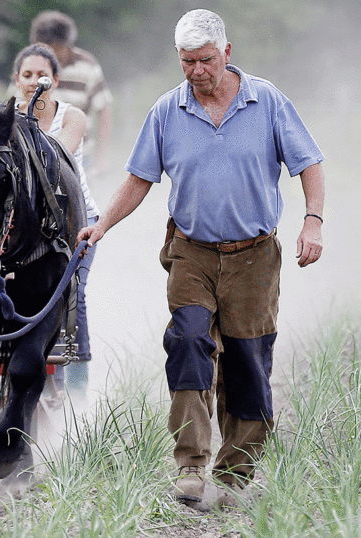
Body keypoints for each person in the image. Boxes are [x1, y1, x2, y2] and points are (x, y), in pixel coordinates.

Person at [77, 9, 325, 509]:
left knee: (247, 361)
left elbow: (309, 163)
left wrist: (313, 220)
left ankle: (235, 475)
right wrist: (102, 223)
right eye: (187, 61)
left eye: (206, 60)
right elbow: (139, 178)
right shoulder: (168, 111)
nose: (196, 71)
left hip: (254, 256)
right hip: (190, 250)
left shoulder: (267, 101)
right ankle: (191, 465)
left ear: (226, 53)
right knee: (188, 341)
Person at [13, 43, 100, 394]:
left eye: (42, 75)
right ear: (16, 79)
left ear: (56, 80)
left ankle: (76, 389)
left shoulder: (72, 116)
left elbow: (55, 151)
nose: (35, 81)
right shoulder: (5, 116)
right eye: (28, 75)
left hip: (74, 222)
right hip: (26, 227)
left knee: (71, 297)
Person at [28, 10, 113, 176]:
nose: (50, 55)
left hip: (79, 157)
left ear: (66, 44)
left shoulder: (87, 66)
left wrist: (102, 157)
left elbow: (104, 110)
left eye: (56, 48)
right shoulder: (30, 66)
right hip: (35, 155)